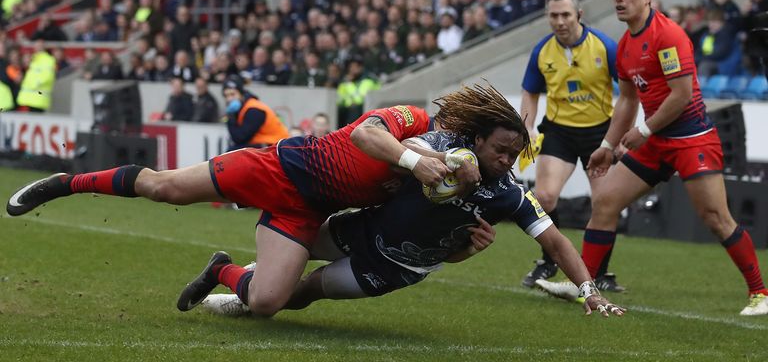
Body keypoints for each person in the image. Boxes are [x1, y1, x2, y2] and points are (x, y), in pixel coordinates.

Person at [7, 87, 484, 317]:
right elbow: (365, 133)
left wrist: (464, 245)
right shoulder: (411, 119)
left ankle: (221, 270)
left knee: (267, 303)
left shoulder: (441, 177)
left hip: (304, 211)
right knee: (164, 188)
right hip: (277, 168)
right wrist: (413, 158)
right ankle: (65, 183)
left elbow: (424, 234)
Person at [192, 85, 625, 318]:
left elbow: (555, 242)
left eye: (514, 154)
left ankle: (228, 276)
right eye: (500, 150)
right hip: (361, 226)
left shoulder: (509, 194)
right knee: (278, 282)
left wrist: (589, 291)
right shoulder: (442, 144)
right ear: (477, 139)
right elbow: (399, 150)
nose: (507, 160)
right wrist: (435, 162)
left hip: (395, 267)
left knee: (300, 295)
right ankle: (243, 282)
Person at [536, 0, 768, 316]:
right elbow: (628, 101)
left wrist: (643, 132)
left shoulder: (668, 34)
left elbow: (682, 94)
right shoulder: (626, 44)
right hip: (657, 141)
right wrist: (608, 146)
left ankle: (760, 293)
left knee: (716, 217)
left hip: (691, 139)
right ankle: (583, 282)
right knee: (606, 202)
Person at [519, 0, 623, 292]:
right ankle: (550, 259)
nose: (560, 21)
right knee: (545, 197)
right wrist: (528, 127)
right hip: (559, 132)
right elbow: (530, 91)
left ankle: (601, 272)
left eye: (565, 14)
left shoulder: (604, 46)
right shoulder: (542, 50)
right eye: (554, 15)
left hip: (599, 133)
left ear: (579, 14)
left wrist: (619, 135)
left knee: (605, 204)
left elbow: (629, 92)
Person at [221, 75, 289, 150]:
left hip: (277, 147)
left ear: (241, 94)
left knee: (232, 152)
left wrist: (230, 117)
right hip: (268, 145)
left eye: (233, 94)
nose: (229, 99)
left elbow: (240, 138)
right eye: (226, 96)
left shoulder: (254, 109)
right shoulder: (243, 108)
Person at [16, 40, 56, 113]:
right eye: (36, 46)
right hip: (26, 98)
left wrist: (35, 84)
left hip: (38, 99)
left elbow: (48, 76)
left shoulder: (48, 60)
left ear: (43, 47)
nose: (37, 48)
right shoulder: (33, 58)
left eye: (39, 46)